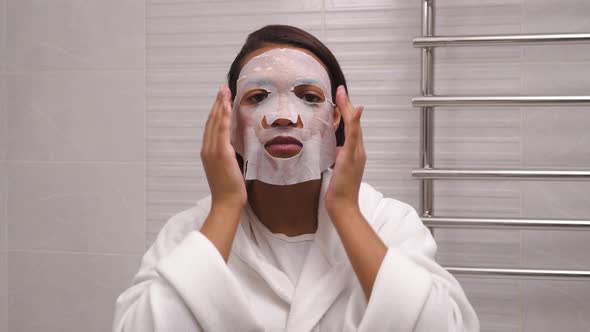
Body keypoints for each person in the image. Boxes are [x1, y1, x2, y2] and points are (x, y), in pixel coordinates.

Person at [112, 25, 480, 332]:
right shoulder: (190, 231)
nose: (284, 116)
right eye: (258, 97)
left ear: (337, 119)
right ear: (229, 121)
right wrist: (225, 207)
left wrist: (346, 210)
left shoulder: (388, 222)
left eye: (308, 96)